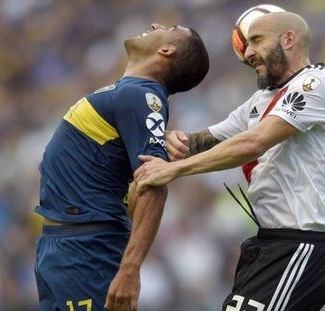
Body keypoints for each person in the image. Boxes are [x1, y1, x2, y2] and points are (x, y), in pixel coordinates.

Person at [135, 12, 325, 310]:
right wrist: (177, 139)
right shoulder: (260, 101)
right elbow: (204, 140)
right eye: (246, 44)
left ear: (289, 39)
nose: (248, 53)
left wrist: (174, 169)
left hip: (301, 243)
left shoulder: (316, 82)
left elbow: (255, 141)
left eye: (257, 41)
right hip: (271, 243)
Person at [34, 23, 209, 311]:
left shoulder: (141, 95)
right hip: (60, 245)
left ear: (166, 50)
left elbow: (155, 185)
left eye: (170, 28)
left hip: (86, 250)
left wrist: (130, 270)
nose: (155, 25)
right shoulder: (128, 94)